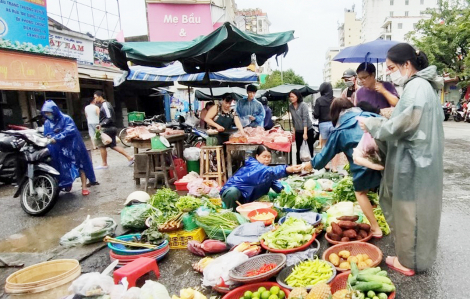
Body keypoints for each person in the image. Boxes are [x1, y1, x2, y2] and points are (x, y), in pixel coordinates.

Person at [358, 43, 444, 275]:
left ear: (406, 64)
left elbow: (404, 123)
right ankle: (415, 257)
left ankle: (408, 262)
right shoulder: (426, 86)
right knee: (419, 214)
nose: (389, 72)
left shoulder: (416, 86)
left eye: (391, 67)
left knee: (409, 214)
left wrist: (373, 124)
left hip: (412, 162)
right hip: (424, 159)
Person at [303, 97, 383, 237]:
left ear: (335, 113)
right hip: (386, 159)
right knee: (385, 190)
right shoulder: (369, 115)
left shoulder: (340, 130)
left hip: (363, 165)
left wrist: (307, 165)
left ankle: (376, 228)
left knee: (360, 193)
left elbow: (323, 157)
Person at [42, 100, 97, 196]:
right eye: (45, 113)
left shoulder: (66, 118)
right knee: (63, 166)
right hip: (59, 148)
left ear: (54, 111)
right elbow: (47, 134)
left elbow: (70, 130)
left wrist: (57, 137)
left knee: (81, 165)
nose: (48, 115)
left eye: (49, 113)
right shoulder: (47, 122)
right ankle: (67, 183)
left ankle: (84, 186)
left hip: (73, 145)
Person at [220, 145, 302, 210]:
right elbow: (270, 172)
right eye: (264, 156)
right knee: (232, 192)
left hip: (247, 198)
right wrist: (288, 169)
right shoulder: (254, 167)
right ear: (257, 156)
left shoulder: (265, 171)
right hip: (233, 197)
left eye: (269, 157)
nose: (267, 159)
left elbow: (272, 180)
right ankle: (232, 211)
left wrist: (288, 193)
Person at [93, 91, 134, 169]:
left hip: (107, 128)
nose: (95, 99)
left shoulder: (105, 105)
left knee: (101, 146)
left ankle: (104, 164)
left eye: (95, 97)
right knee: (113, 146)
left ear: (100, 96)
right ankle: (129, 157)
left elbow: (109, 118)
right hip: (111, 128)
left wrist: (101, 124)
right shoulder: (105, 105)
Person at [313, 82, 339, 171]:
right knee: (335, 145)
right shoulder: (335, 100)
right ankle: (335, 167)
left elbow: (316, 115)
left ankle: (327, 165)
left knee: (325, 145)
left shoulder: (319, 100)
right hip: (334, 124)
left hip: (323, 124)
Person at [289, 89, 315, 164]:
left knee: (309, 149)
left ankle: (310, 166)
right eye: (290, 97)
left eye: (293, 97)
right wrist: (294, 130)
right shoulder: (291, 107)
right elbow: (293, 119)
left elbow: (305, 119)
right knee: (298, 150)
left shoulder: (303, 105)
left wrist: (305, 133)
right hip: (298, 131)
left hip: (308, 130)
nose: (291, 98)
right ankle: (298, 167)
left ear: (297, 97)